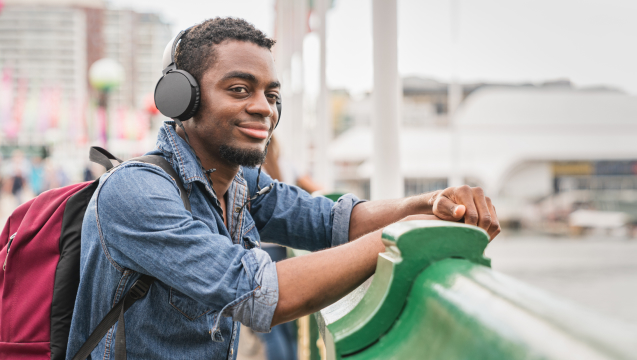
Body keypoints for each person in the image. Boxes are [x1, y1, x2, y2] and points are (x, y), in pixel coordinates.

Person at [66, 18, 500, 360]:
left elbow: (332, 221)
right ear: (182, 99)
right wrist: (405, 236)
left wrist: (426, 204)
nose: (263, 108)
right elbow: (261, 294)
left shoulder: (240, 182)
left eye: (272, 95)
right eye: (239, 89)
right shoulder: (135, 194)